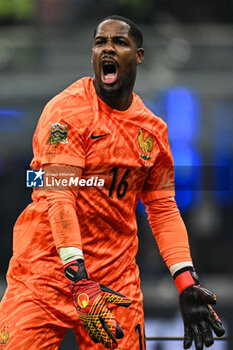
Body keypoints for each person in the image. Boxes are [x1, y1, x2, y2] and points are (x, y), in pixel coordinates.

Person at [0, 15, 225, 350]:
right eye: (100, 42)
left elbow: (162, 209)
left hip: (114, 282)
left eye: (119, 42)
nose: (107, 48)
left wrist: (186, 280)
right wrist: (78, 279)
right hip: (45, 276)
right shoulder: (67, 112)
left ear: (139, 55)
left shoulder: (152, 131)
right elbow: (60, 196)